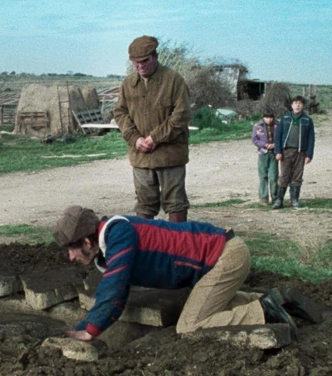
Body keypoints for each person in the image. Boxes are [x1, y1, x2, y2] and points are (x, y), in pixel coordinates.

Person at [52, 206, 315, 340]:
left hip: (225, 257)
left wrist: (91, 331)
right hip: (219, 258)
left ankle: (265, 311)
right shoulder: (109, 247)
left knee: (189, 326)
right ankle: (274, 299)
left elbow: (114, 291)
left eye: (72, 249)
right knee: (206, 304)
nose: (71, 257)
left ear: (87, 242)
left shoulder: (118, 233)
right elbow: (112, 291)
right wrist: (80, 328)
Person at [112, 35, 193, 222]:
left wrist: (155, 138)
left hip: (170, 155)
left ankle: (177, 246)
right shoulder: (128, 84)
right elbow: (120, 113)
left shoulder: (173, 80)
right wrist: (134, 138)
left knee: (175, 203)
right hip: (141, 156)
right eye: (135, 63)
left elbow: (182, 115)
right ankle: (148, 246)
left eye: (144, 61)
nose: (140, 66)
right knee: (144, 204)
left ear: (155, 56)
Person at [273, 95, 316, 209]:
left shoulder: (307, 120)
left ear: (303, 106)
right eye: (295, 103)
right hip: (286, 151)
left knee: (297, 176)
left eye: (300, 103)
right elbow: (278, 136)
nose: (297, 105)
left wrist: (309, 154)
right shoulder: (285, 118)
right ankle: (279, 200)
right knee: (284, 176)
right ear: (291, 105)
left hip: (300, 152)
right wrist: (278, 151)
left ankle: (294, 200)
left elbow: (311, 138)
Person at [251, 111, 278, 204]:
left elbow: (282, 137)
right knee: (263, 176)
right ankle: (263, 198)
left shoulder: (277, 125)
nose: (269, 120)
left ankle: (275, 198)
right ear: (263, 117)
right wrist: (265, 145)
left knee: (274, 177)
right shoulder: (257, 126)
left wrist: (275, 145)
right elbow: (254, 139)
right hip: (263, 153)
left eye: (271, 117)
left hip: (274, 153)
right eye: (267, 117)